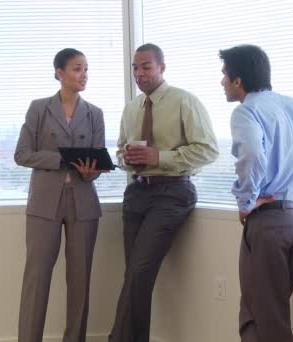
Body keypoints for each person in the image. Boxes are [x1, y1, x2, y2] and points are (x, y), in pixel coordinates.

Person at [109, 43, 219, 342]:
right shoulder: (132, 108)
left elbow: (208, 150)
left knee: (139, 273)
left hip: (172, 193)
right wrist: (126, 158)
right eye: (135, 67)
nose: (139, 73)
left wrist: (160, 158)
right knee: (134, 276)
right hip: (136, 195)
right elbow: (119, 151)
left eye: (146, 66)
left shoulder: (185, 101)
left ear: (162, 68)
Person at [219, 44, 293, 342]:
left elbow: (252, 156)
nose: (221, 81)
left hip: (270, 225)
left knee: (267, 321)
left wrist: (246, 202)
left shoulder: (245, 111)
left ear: (238, 81)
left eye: (224, 75)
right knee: (261, 314)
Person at [14, 48, 107, 342]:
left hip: (83, 202)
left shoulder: (94, 113)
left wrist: (93, 170)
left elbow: (97, 157)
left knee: (80, 282)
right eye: (77, 69)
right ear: (59, 72)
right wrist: (60, 159)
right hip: (45, 203)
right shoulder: (39, 109)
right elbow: (22, 154)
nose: (84, 75)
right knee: (36, 280)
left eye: (86, 69)